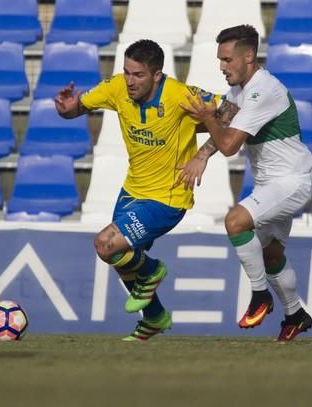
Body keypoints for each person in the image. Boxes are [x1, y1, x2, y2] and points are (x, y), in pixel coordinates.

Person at [54, 39, 222, 341]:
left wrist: (203, 153)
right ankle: (156, 317)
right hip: (132, 190)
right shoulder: (117, 87)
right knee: (120, 258)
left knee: (106, 244)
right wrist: (67, 109)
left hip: (169, 197)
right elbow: (76, 107)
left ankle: (154, 269)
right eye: (127, 72)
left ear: (157, 75)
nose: (130, 81)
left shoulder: (180, 94)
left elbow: (231, 111)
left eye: (138, 75)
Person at [177, 25, 312, 342]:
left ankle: (259, 296)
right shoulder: (239, 91)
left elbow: (228, 145)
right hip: (271, 186)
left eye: (227, 59)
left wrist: (208, 118)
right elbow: (223, 123)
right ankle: (295, 315)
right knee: (271, 256)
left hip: (291, 181)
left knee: (235, 221)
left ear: (248, 56)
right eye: (220, 60)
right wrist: (200, 155)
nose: (221, 67)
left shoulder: (260, 91)